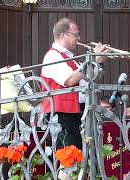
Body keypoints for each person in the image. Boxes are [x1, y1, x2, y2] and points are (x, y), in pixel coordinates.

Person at [40, 17, 107, 150]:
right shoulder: (53, 56)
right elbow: (69, 80)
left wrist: (97, 63)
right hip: (61, 114)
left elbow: (85, 80)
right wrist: (92, 58)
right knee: (68, 159)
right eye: (76, 35)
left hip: (75, 112)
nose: (79, 38)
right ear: (63, 35)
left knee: (77, 157)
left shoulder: (71, 59)